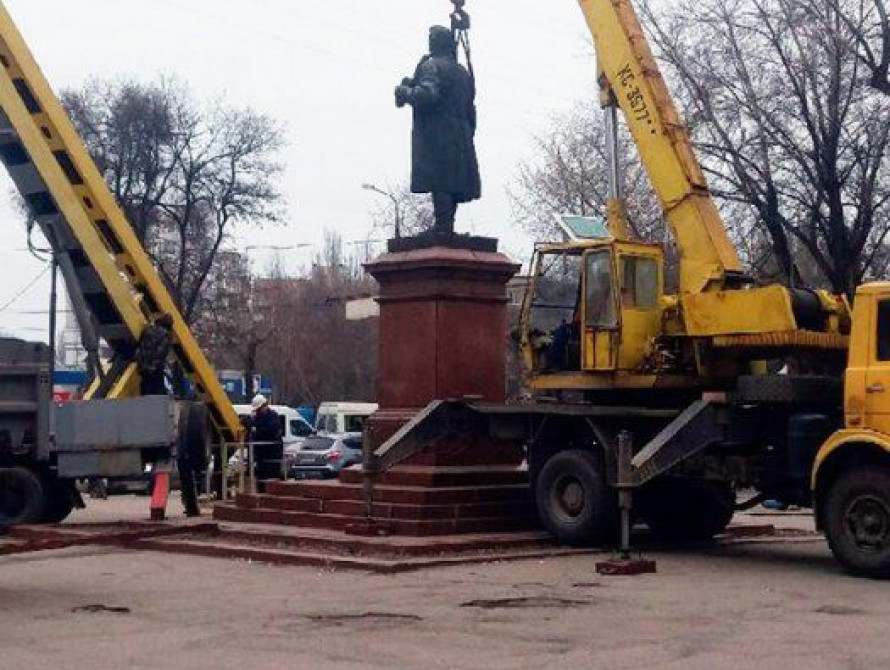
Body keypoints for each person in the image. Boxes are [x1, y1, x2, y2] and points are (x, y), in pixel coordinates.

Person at [395, 25, 481, 235]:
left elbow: (427, 95)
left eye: (432, 39)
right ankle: (446, 225)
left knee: (440, 178)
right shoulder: (462, 72)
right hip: (460, 134)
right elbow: (471, 105)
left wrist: (404, 91)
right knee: (452, 180)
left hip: (438, 134)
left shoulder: (432, 65)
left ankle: (443, 226)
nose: (429, 42)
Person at [249, 394, 283, 490]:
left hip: (272, 456)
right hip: (261, 457)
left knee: (272, 480)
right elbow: (254, 435)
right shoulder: (256, 418)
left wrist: (256, 429)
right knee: (261, 481)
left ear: (264, 406)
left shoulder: (273, 417)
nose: (258, 412)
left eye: (259, 409)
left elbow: (270, 431)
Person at [135, 313, 173, 396]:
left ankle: (143, 402)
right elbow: (161, 354)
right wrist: (155, 365)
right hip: (154, 368)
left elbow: (139, 345)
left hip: (143, 364)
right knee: (156, 389)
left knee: (145, 385)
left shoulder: (147, 330)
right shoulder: (165, 336)